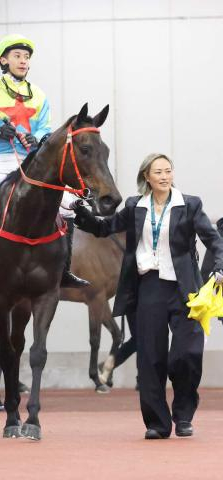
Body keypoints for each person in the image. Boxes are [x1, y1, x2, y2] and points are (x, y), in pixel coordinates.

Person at [71, 152, 223, 440]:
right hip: (149, 287)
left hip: (185, 289)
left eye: (168, 170)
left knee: (187, 355)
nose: (165, 176)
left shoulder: (189, 205)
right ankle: (157, 423)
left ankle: (183, 414)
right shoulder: (135, 206)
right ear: (147, 178)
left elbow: (213, 241)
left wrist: (220, 265)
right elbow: (104, 228)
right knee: (151, 359)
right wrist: (81, 215)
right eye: (158, 172)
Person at [0, 33, 88, 288]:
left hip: (32, 162)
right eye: (17, 56)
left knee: (69, 202)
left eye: (26, 57)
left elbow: (45, 128)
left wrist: (37, 139)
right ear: (4, 60)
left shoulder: (38, 94)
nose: (23, 61)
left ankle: (64, 269)